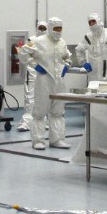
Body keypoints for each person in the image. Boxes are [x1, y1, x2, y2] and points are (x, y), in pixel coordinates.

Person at [24, 17, 72, 150]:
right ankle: (38, 140)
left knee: (58, 111)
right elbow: (23, 53)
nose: (58, 31)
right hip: (44, 79)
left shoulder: (62, 43)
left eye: (60, 29)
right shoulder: (38, 41)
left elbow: (67, 57)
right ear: (50, 28)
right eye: (56, 29)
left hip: (59, 81)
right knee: (40, 110)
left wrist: (67, 66)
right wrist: (34, 65)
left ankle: (57, 139)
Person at [16, 21, 48, 132]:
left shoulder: (50, 41)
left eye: (44, 28)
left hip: (45, 72)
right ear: (37, 28)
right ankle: (26, 122)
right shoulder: (32, 40)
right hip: (33, 72)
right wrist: (33, 64)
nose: (42, 30)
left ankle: (42, 120)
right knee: (30, 96)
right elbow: (22, 53)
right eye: (41, 28)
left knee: (43, 96)